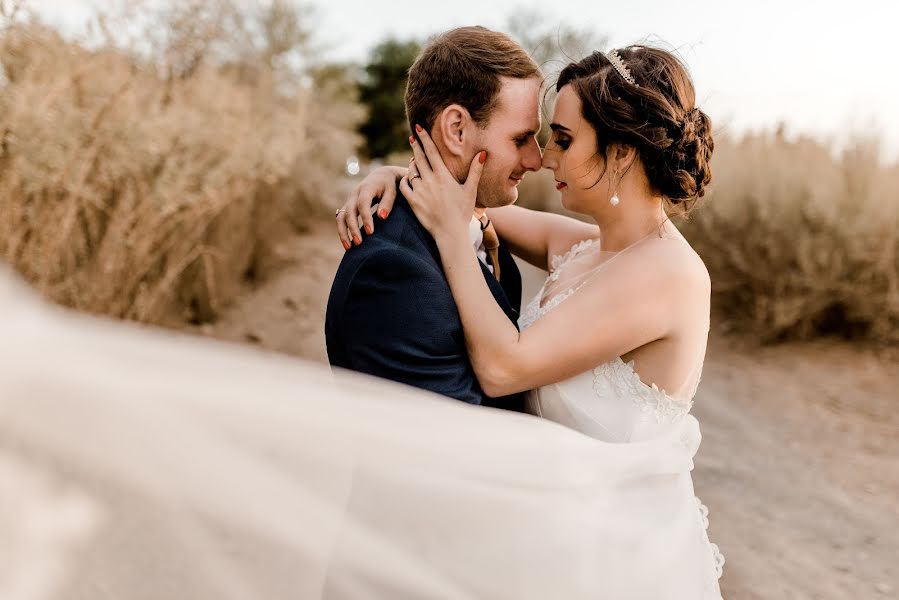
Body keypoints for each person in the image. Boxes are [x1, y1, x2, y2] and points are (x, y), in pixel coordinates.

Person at [340, 43, 725, 595]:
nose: (546, 158)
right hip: (549, 542)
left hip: (614, 563)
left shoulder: (670, 274)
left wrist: (451, 238)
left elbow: (502, 368)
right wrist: (400, 176)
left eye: (563, 141)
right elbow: (480, 202)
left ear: (621, 152)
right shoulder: (590, 245)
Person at [325, 26, 543, 412]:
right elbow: (446, 454)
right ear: (457, 130)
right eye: (520, 139)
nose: (536, 160)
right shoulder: (392, 272)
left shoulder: (477, 225)